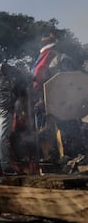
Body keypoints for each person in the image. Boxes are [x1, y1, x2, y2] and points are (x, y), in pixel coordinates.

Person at [31, 33, 77, 164]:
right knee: (67, 126)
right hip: (61, 100)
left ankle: (50, 156)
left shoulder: (38, 61)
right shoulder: (61, 57)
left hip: (42, 100)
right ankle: (69, 156)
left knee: (47, 129)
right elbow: (72, 79)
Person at [0, 45, 27, 176]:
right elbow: (20, 77)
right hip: (4, 107)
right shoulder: (4, 67)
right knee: (2, 137)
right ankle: (6, 166)